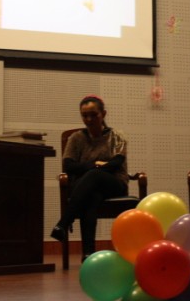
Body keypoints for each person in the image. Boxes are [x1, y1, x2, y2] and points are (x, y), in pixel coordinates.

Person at [50, 95, 129, 261]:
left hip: (114, 184)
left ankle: (64, 222)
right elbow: (68, 165)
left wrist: (93, 169)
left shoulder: (117, 135)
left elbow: (116, 163)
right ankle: (88, 253)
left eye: (93, 115)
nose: (89, 119)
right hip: (86, 188)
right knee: (92, 197)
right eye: (85, 115)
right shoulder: (76, 138)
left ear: (103, 114)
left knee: (94, 176)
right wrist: (95, 165)